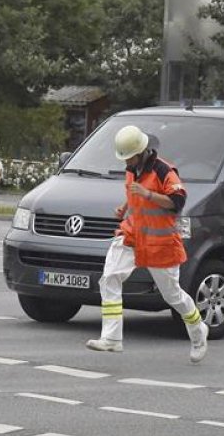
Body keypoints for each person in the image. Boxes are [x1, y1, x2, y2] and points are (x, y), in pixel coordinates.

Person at [86, 125, 209, 363]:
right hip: (132, 234)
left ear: (141, 151)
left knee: (172, 295)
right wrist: (125, 208)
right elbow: (134, 194)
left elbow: (178, 201)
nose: (125, 162)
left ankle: (197, 331)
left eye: (128, 157)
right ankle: (112, 338)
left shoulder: (164, 171)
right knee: (110, 277)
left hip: (160, 243)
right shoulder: (132, 169)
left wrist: (147, 195)